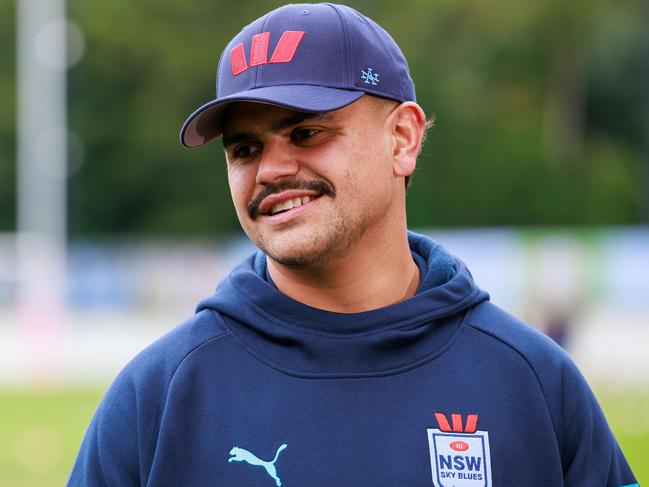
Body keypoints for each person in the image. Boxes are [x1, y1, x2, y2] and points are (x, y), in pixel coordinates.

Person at [68, 3, 638, 486]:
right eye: (244, 149)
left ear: (403, 139)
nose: (271, 168)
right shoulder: (161, 393)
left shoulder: (531, 379)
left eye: (306, 132)